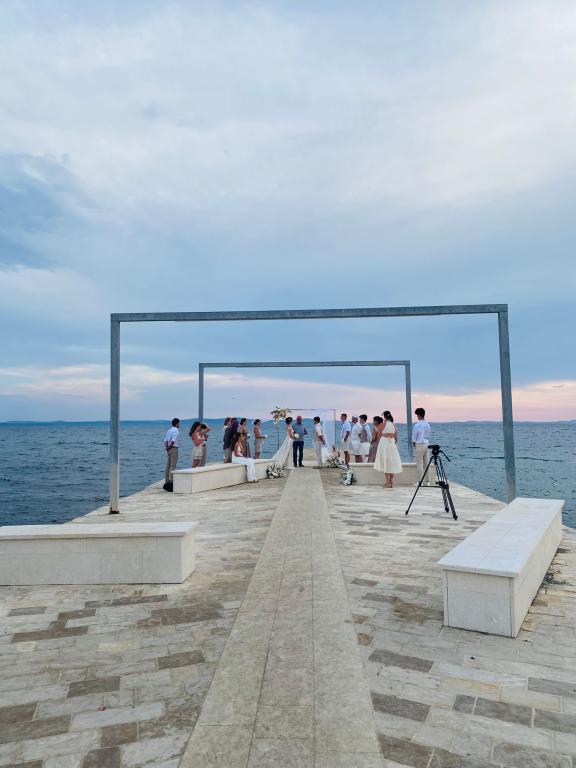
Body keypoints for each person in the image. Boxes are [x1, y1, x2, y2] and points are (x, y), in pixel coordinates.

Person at [374, 410, 403, 488]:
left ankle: (388, 482)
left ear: (384, 416)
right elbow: (396, 436)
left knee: (386, 462)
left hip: (384, 443)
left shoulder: (382, 424)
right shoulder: (394, 425)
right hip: (392, 443)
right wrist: (392, 440)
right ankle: (391, 480)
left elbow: (378, 436)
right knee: (392, 461)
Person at [413, 407, 431, 486]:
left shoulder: (417, 425)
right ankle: (427, 481)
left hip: (419, 444)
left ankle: (420, 481)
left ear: (419, 415)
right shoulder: (427, 424)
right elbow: (428, 434)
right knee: (427, 463)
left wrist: (414, 442)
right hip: (426, 444)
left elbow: (414, 435)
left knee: (419, 463)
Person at [163, 418, 180, 491]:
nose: (179, 425)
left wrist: (167, 447)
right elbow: (173, 441)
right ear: (177, 423)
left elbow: (165, 440)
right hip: (173, 448)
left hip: (169, 449)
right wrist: (169, 447)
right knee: (173, 465)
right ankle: (171, 482)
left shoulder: (169, 430)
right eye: (179, 423)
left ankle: (166, 481)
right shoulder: (176, 430)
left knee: (168, 465)